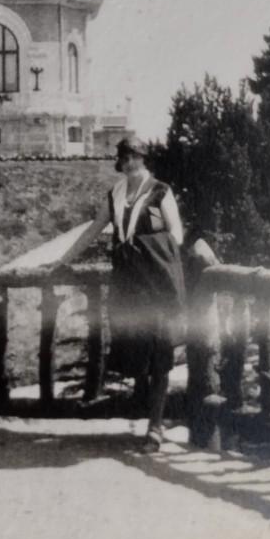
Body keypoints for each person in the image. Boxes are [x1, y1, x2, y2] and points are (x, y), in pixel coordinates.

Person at [57, 137, 186, 450]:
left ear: (144, 158)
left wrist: (147, 242)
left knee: (160, 351)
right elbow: (94, 228)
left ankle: (155, 428)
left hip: (156, 279)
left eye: (135, 157)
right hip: (128, 282)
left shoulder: (160, 190)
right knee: (135, 346)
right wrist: (65, 259)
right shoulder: (115, 193)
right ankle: (146, 415)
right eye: (124, 158)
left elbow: (176, 234)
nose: (129, 163)